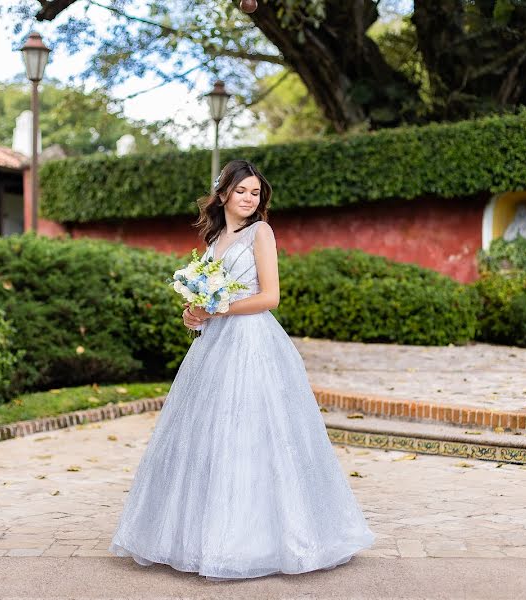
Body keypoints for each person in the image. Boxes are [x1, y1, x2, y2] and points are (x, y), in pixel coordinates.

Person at [107, 159, 375, 581]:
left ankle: (264, 539)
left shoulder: (261, 233)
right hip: (214, 346)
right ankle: (199, 535)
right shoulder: (213, 238)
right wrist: (194, 313)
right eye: (242, 191)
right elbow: (209, 299)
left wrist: (217, 307)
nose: (249, 199)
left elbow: (270, 296)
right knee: (209, 434)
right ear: (223, 194)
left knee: (253, 430)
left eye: (255, 193)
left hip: (253, 342)